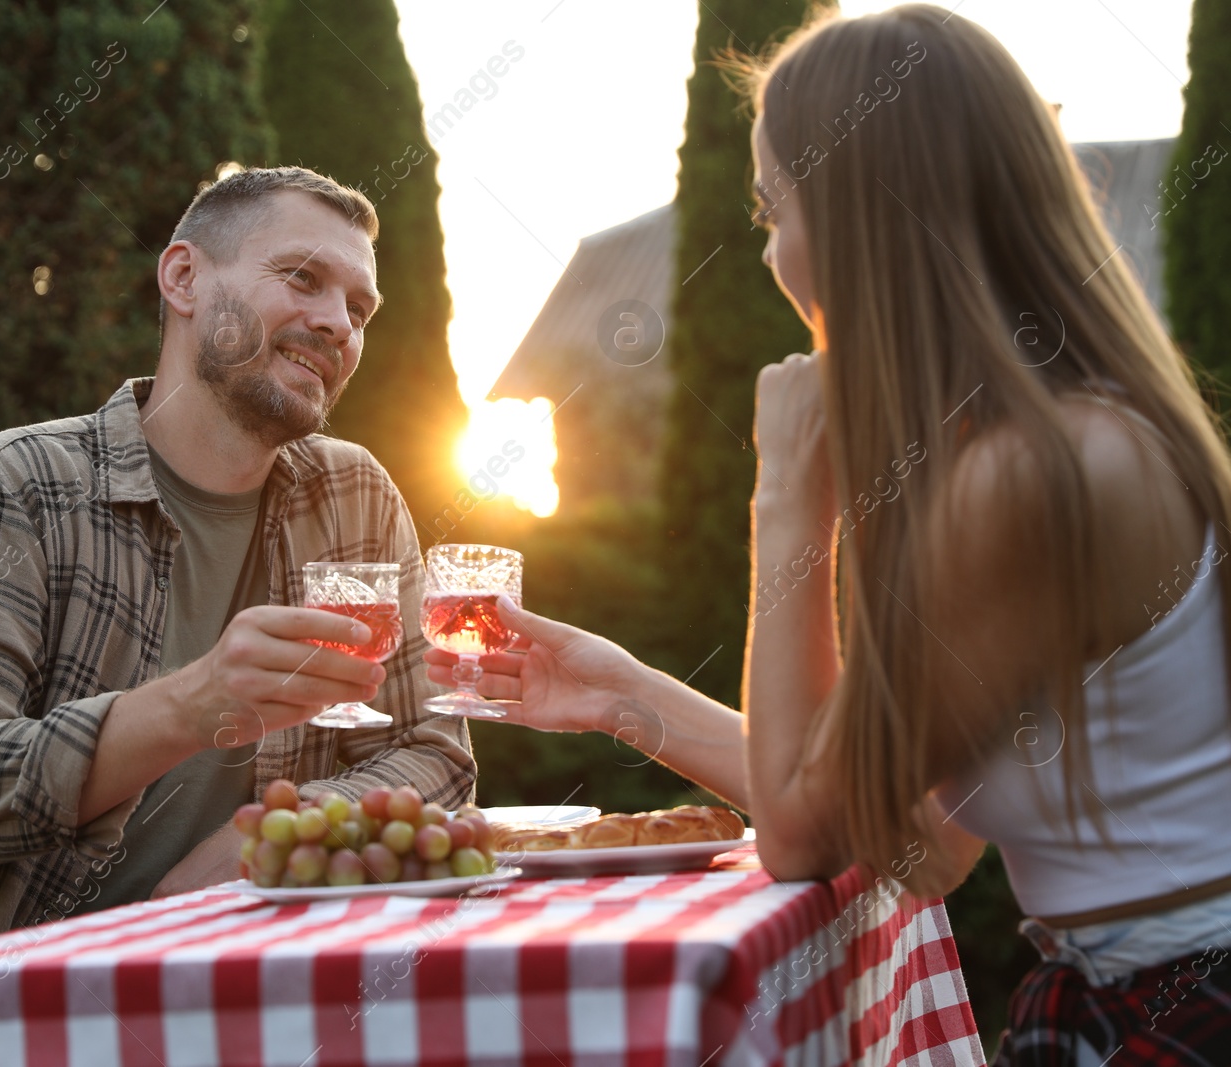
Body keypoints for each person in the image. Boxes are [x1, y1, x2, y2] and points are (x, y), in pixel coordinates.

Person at [427, 5, 1231, 1062]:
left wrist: (788, 492)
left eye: (772, 211)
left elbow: (808, 837)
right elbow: (917, 836)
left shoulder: (1032, 476)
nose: (771, 254)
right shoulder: (1054, 438)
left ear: (858, 218)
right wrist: (623, 696)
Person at [0, 166, 475, 1066]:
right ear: (183, 279)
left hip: (215, 1017)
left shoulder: (356, 500)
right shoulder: (19, 486)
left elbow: (436, 753)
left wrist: (257, 845)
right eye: (302, 278)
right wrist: (190, 705)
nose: (340, 322)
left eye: (360, 308)